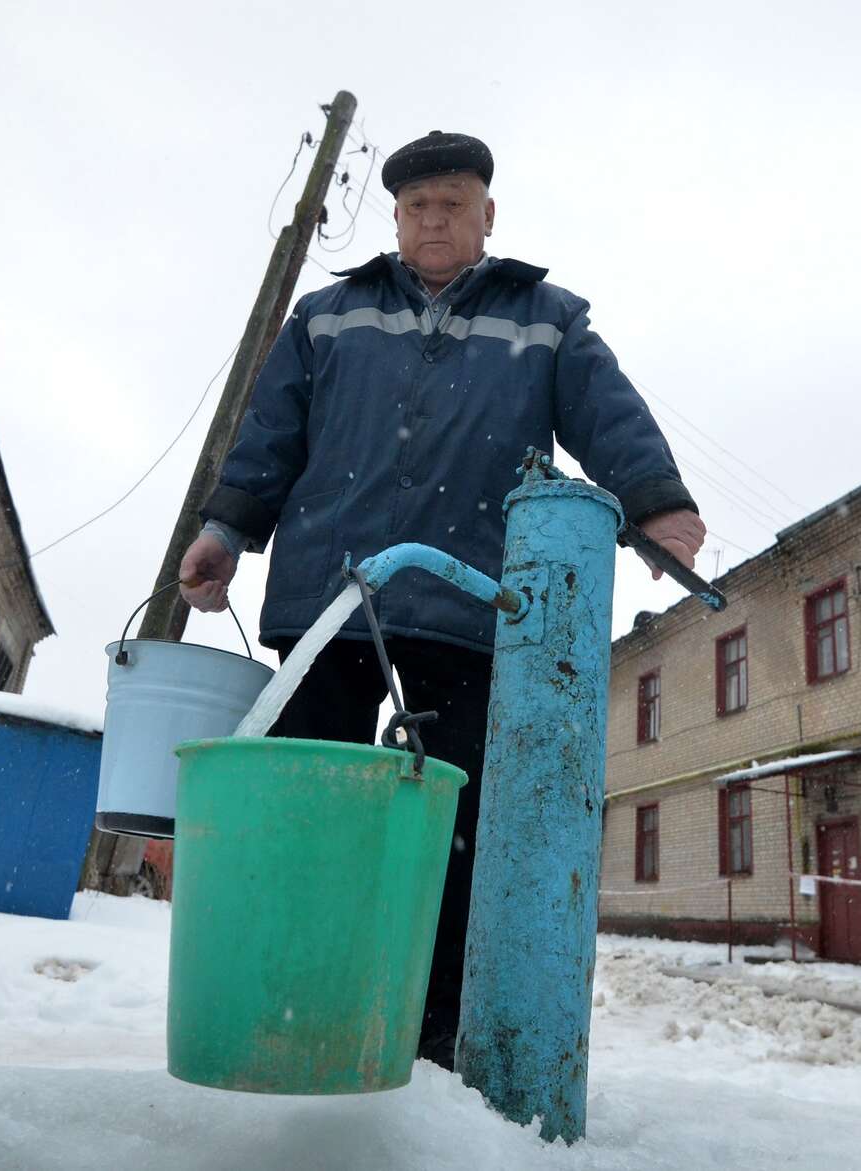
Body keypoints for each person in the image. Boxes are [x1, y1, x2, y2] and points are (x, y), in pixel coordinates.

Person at [178, 130, 704, 1069]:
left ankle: (432, 1031)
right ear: (395, 217)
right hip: (332, 600)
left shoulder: (546, 319)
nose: (434, 219)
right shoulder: (330, 314)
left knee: (457, 825)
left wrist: (660, 506)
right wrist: (225, 531)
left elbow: (606, 411)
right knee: (316, 804)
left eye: (453, 204)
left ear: (487, 216)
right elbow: (270, 435)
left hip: (471, 606)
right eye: (418, 205)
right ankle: (299, 999)